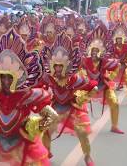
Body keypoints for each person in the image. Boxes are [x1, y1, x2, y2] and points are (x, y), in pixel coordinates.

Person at [0, 28, 58, 165]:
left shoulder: (28, 95)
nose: (5, 81)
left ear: (17, 77)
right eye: (2, 77)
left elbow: (52, 116)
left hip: (23, 139)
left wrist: (33, 125)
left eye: (9, 78)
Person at [40, 33, 98, 166]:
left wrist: (82, 97)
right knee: (46, 130)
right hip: (55, 108)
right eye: (56, 66)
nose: (58, 69)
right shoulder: (49, 77)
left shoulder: (74, 79)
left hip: (72, 109)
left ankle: (87, 157)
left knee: (82, 132)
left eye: (61, 66)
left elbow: (92, 85)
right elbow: (37, 86)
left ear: (66, 65)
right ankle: (46, 153)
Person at [81, 23, 124, 134]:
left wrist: (111, 77)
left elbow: (117, 65)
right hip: (88, 86)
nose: (94, 53)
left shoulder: (104, 61)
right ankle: (80, 125)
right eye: (93, 50)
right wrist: (84, 77)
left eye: (97, 51)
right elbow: (77, 69)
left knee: (115, 102)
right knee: (77, 102)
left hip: (103, 85)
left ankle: (114, 126)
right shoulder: (85, 61)